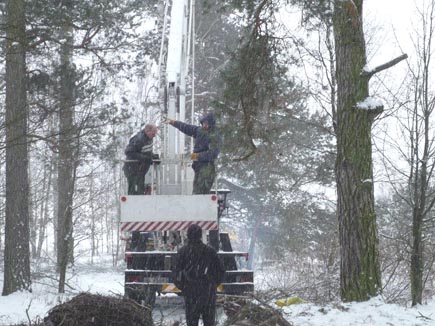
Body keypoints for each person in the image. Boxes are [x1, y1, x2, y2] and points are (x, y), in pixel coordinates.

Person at [173, 224, 225, 326]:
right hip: (208, 293)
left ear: (188, 235)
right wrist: (213, 284)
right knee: (209, 322)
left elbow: (175, 272)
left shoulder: (183, 252)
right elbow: (221, 270)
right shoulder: (210, 251)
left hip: (191, 293)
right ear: (200, 235)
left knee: (192, 322)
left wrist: (183, 287)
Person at [164, 112, 221, 194]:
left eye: (207, 124)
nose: (204, 125)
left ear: (211, 124)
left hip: (207, 168)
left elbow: (213, 153)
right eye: (203, 123)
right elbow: (186, 127)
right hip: (198, 166)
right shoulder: (200, 131)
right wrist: (172, 122)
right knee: (196, 193)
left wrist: (197, 156)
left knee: (200, 194)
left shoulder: (215, 136)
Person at [123, 124, 158, 195]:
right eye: (153, 133)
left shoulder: (149, 139)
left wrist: (154, 157)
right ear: (147, 131)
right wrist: (144, 158)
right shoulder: (138, 139)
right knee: (134, 191)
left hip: (140, 170)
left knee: (140, 191)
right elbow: (128, 152)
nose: (154, 135)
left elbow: (145, 151)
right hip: (132, 169)